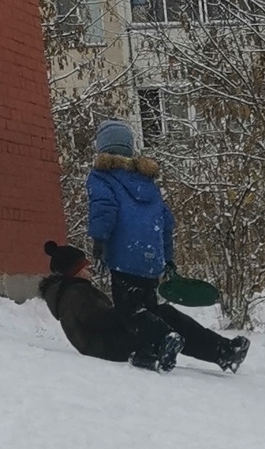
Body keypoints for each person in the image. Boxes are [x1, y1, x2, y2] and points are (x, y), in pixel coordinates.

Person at [85, 120, 248, 371]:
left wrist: (98, 240)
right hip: (152, 260)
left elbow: (104, 209)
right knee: (156, 311)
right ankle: (222, 350)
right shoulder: (145, 181)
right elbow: (165, 222)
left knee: (131, 311)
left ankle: (163, 341)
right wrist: (167, 258)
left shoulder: (102, 177)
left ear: (102, 148)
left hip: (125, 258)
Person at [37, 241, 183, 371]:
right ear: (75, 272)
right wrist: (128, 311)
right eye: (85, 268)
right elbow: (102, 318)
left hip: (96, 344)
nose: (90, 271)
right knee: (141, 316)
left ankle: (149, 357)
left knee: (140, 321)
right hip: (103, 345)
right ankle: (165, 339)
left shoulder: (71, 292)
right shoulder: (77, 293)